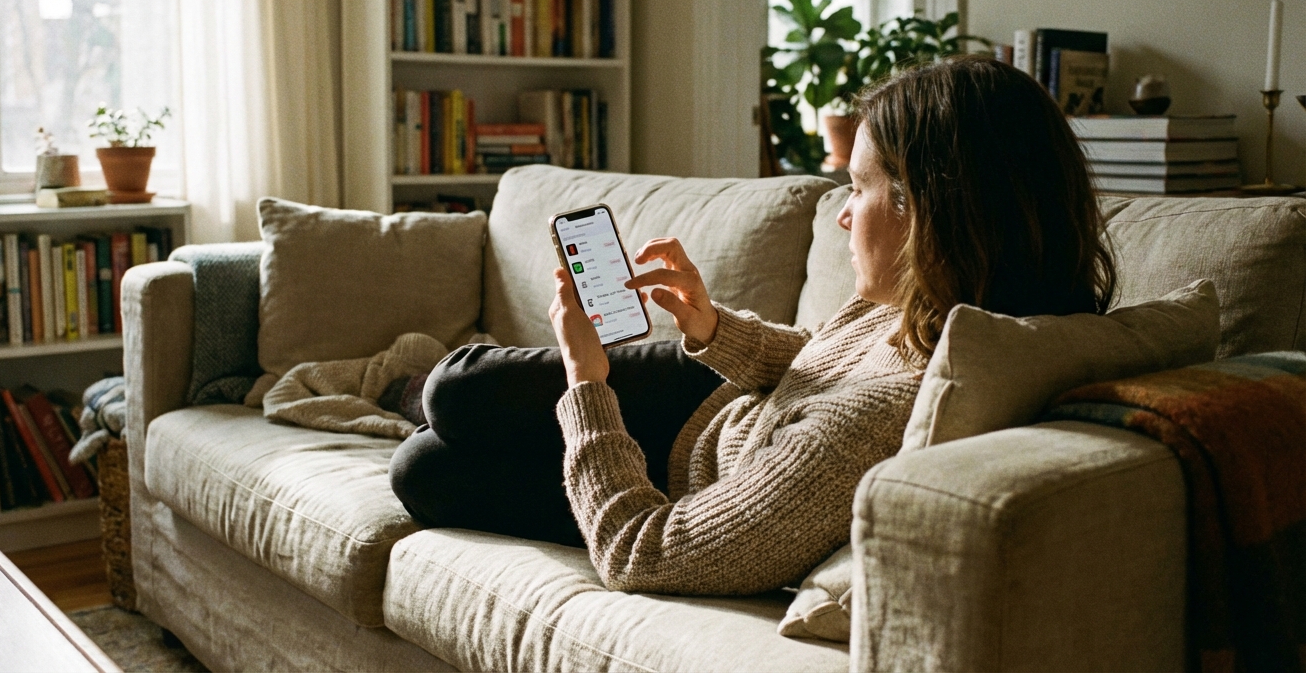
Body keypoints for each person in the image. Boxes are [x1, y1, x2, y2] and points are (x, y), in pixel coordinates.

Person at [389, 56, 1117, 596]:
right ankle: (405, 390)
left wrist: (588, 383)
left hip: (690, 462)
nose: (840, 214)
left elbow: (644, 552)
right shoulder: (954, 307)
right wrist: (712, 330)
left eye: (858, 188)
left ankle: (400, 394)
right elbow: (826, 365)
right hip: (712, 400)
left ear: (929, 211)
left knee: (424, 466)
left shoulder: (873, 427)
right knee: (455, 388)